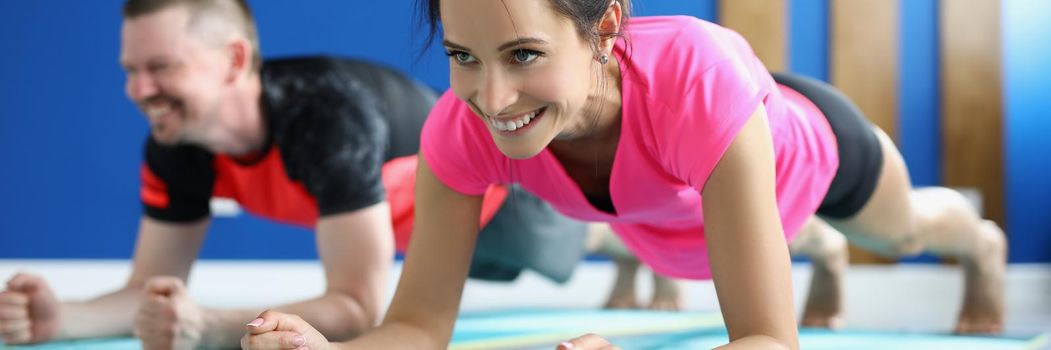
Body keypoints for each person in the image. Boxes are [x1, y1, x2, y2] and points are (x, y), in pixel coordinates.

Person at [248, 0, 999, 349]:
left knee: (902, 232)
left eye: (524, 55)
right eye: (461, 56)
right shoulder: (462, 128)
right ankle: (814, 248)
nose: (490, 96)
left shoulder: (696, 81)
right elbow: (415, 326)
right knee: (724, 233)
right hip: (676, 214)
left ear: (603, 29)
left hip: (807, 152)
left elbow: (769, 339)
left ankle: (980, 246)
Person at [0, 0, 446, 348]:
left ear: (234, 60)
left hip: (495, 208)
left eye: (160, 67)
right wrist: (62, 319)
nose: (137, 91)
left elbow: (357, 307)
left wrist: (210, 328)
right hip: (417, 232)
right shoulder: (177, 142)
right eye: (130, 71)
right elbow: (148, 292)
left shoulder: (327, 113)